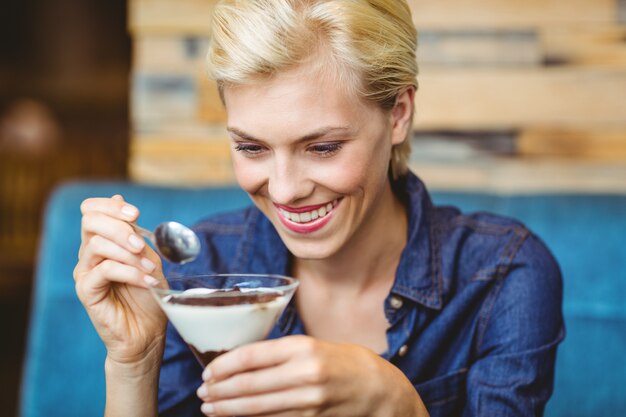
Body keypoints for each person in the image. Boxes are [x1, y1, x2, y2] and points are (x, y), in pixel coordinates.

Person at [74, 0, 564, 416]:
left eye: (323, 147)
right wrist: (135, 362)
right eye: (251, 148)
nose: (284, 191)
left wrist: (398, 402)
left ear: (398, 114)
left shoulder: (503, 275)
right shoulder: (200, 273)